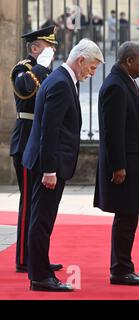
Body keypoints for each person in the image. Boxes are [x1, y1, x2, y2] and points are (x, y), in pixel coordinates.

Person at [22, 39, 104, 292]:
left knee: (43, 219)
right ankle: (40, 277)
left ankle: (41, 268)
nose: (91, 74)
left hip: (49, 162)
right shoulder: (60, 83)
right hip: (49, 164)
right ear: (80, 60)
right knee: (42, 220)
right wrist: (49, 170)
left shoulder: (63, 79)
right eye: (91, 68)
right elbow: (50, 130)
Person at [94, 42, 139, 286]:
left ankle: (123, 267)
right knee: (126, 218)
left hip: (134, 162)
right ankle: (121, 269)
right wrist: (118, 166)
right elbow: (113, 131)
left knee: (129, 217)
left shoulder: (125, 82)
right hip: (125, 167)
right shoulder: (115, 87)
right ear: (129, 61)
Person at [10, 26, 59, 274]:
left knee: (40, 205)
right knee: (29, 203)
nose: (52, 50)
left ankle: (38, 256)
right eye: (47, 46)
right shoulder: (23, 69)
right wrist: (40, 66)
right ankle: (22, 258)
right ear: (34, 48)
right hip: (25, 141)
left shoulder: (48, 71)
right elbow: (24, 90)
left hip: (40, 141)